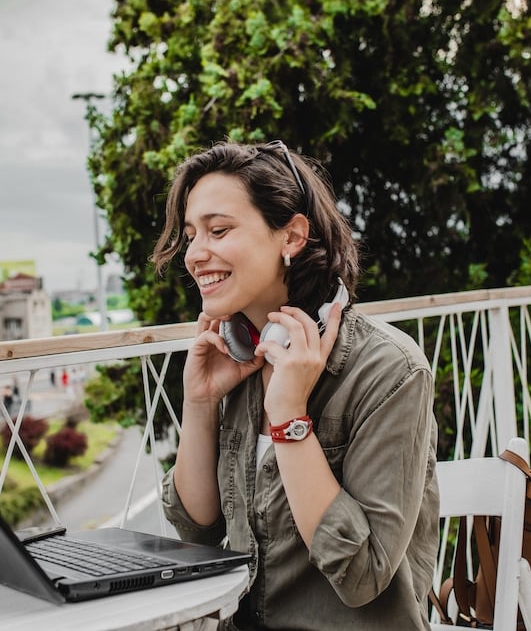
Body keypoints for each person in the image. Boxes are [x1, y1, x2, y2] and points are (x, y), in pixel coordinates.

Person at [152, 140, 439, 630]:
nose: (196, 254)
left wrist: (288, 416)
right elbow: (195, 531)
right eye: (190, 235)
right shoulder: (240, 356)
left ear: (291, 237)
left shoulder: (389, 370)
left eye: (219, 230)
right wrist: (200, 402)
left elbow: (362, 575)